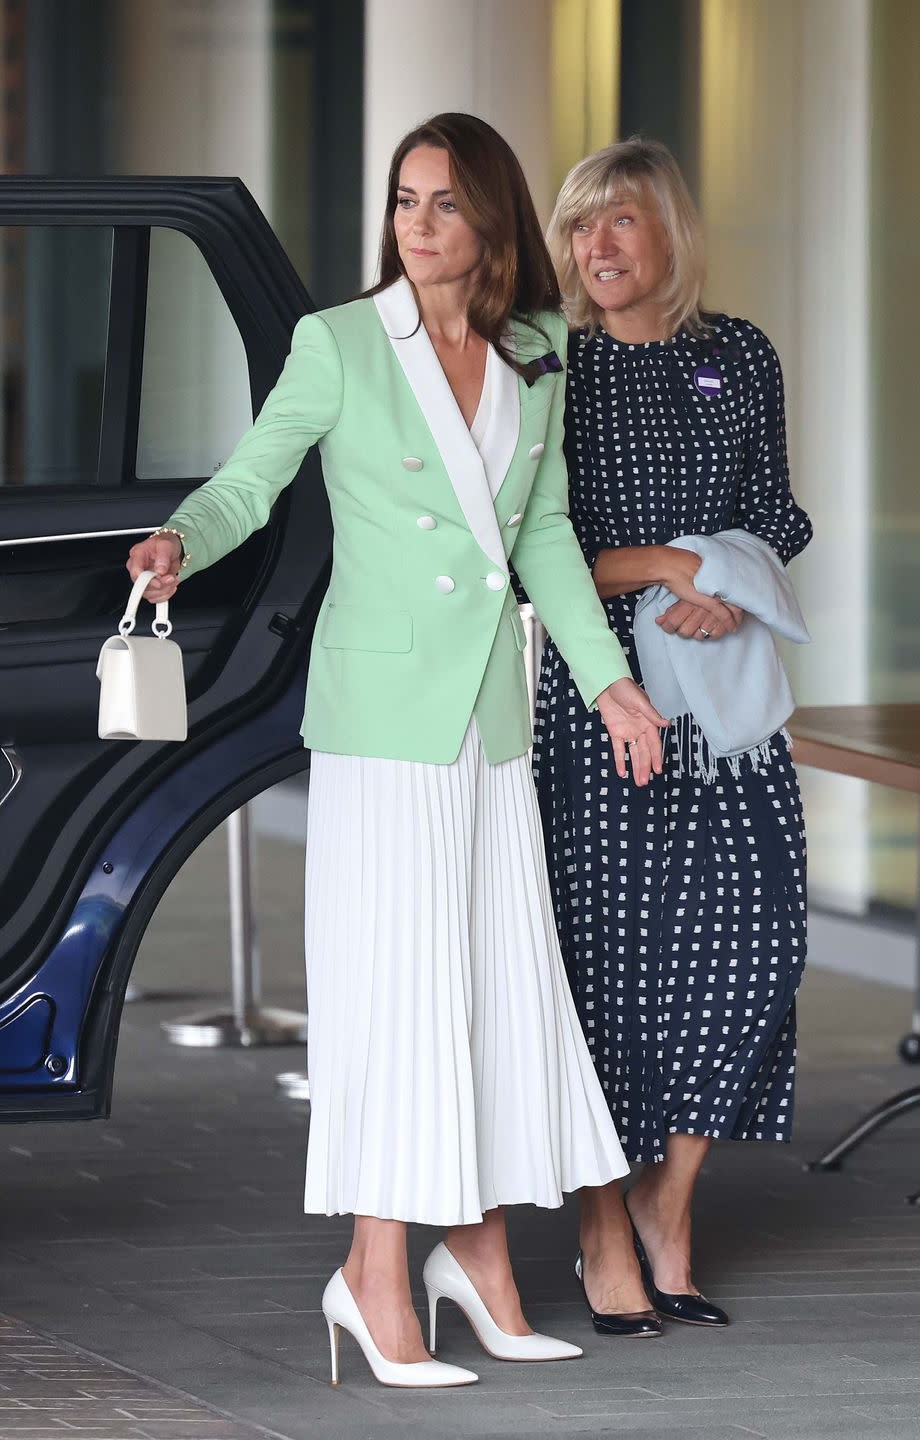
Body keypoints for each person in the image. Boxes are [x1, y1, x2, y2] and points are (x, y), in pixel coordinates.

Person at [126, 113, 665, 1389]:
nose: (417, 227)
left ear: (490, 223)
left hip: (487, 721)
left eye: (443, 206)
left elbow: (538, 540)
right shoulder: (341, 344)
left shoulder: (537, 351)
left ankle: (472, 1258)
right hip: (381, 728)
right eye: (404, 202)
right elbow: (252, 476)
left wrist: (610, 684)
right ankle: (375, 1274)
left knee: (481, 987)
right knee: (400, 1000)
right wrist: (180, 541)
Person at [535, 137, 812, 1333]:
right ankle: (604, 1227)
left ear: (671, 237)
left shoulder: (736, 353)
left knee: (759, 940)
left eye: (623, 223)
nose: (598, 247)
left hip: (728, 703)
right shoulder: (545, 367)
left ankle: (671, 1203)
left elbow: (778, 514)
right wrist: (661, 565)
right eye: (582, 226)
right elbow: (527, 547)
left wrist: (731, 584)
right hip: (605, 706)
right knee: (606, 968)